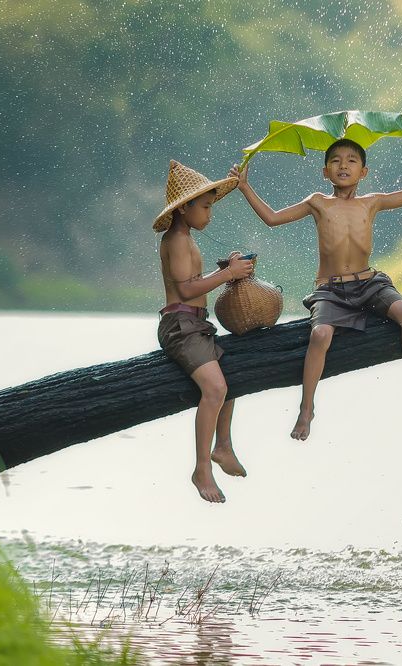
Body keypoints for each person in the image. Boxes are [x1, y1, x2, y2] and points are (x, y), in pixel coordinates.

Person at [230, 128, 402, 441]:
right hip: (331, 289)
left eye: (351, 160)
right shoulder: (318, 202)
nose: (343, 165)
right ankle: (307, 409)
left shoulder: (371, 202)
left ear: (364, 171)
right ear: (325, 172)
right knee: (319, 335)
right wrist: (245, 187)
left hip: (369, 282)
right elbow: (273, 218)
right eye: (335, 161)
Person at [154, 160, 254, 503]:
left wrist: (226, 269)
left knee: (233, 379)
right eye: (206, 207)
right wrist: (228, 275)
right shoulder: (177, 240)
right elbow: (184, 290)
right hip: (181, 327)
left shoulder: (186, 238)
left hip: (197, 325)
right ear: (184, 207)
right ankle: (201, 468)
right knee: (215, 388)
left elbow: (196, 283)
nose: (210, 214)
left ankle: (222, 446)